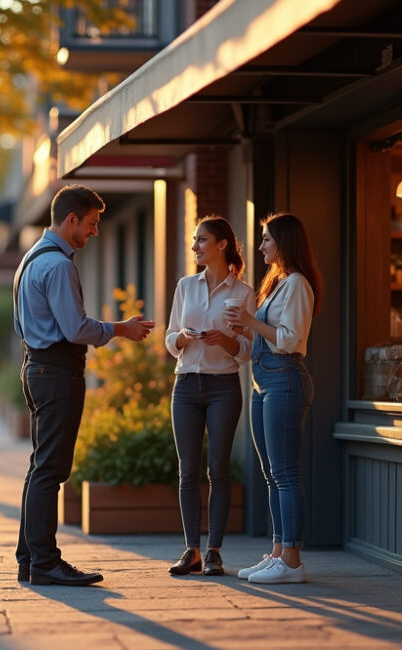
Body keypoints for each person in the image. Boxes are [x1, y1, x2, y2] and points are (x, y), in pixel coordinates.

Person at [13, 184, 156, 586]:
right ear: (71, 219)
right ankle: (44, 562)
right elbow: (76, 328)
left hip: (37, 369)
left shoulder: (30, 259)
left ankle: (30, 558)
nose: (94, 232)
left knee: (40, 468)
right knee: (50, 471)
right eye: (91, 224)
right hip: (57, 373)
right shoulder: (58, 264)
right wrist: (120, 329)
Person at [224, 212, 322, 585]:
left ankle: (292, 561)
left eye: (266, 239)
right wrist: (242, 329)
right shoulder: (278, 282)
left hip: (285, 379)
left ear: (284, 242)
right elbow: (263, 338)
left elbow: (290, 339)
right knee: (271, 474)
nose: (261, 245)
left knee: (285, 473)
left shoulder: (297, 283)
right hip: (264, 382)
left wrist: (250, 321)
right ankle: (279, 552)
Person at [163, 216, 255, 577]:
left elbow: (246, 350)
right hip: (185, 384)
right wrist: (183, 339)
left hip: (223, 386)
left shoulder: (243, 293)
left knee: (218, 470)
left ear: (221, 244)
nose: (195, 246)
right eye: (193, 240)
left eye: (201, 240)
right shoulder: (185, 286)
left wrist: (226, 340)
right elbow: (170, 339)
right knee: (188, 471)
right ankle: (191, 551)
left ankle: (214, 551)